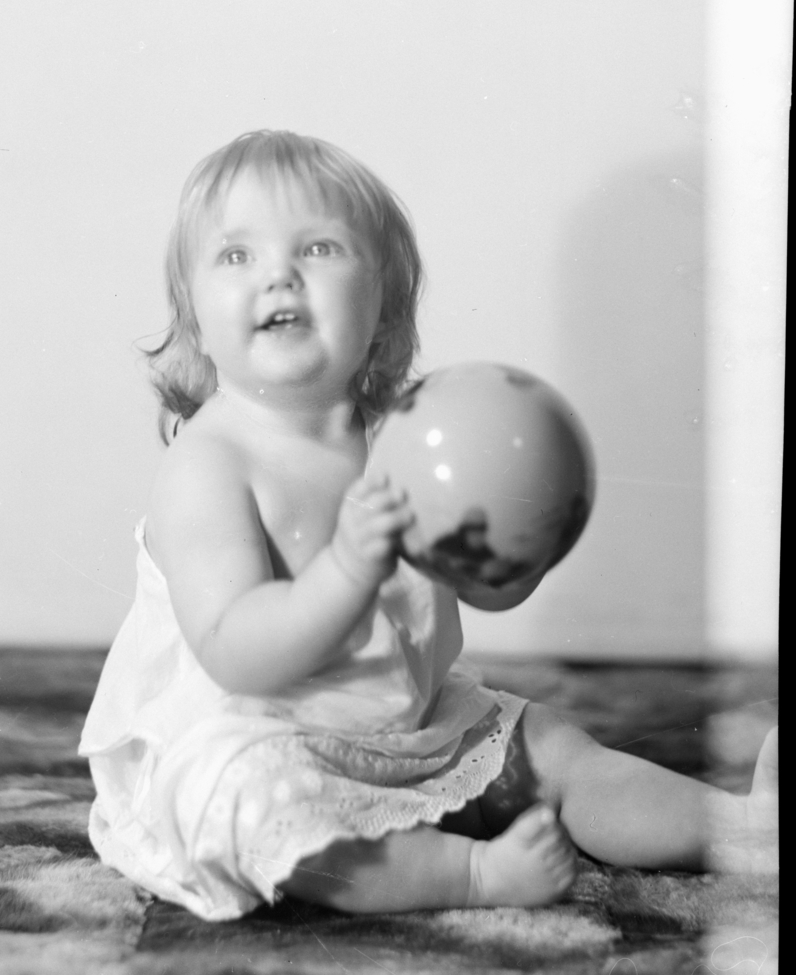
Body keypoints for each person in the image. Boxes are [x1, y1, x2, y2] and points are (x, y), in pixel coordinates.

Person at [79, 130, 777, 922]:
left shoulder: (410, 437)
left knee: (554, 749)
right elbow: (236, 653)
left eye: (318, 248)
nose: (279, 273)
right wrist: (347, 568)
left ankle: (746, 831)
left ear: (383, 308)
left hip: (408, 727)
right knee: (256, 802)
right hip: (258, 737)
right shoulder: (209, 466)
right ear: (196, 321)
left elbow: (475, 589)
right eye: (236, 255)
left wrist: (513, 554)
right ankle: (471, 876)